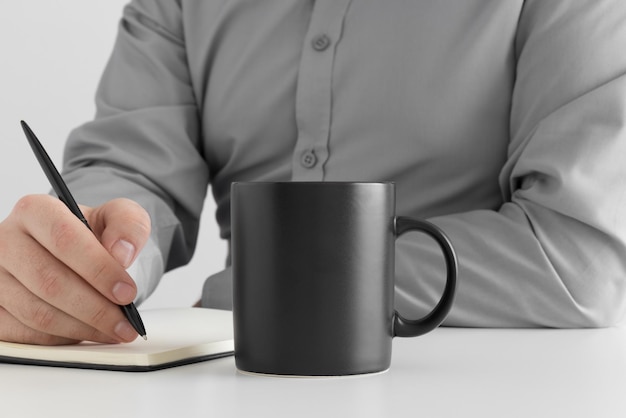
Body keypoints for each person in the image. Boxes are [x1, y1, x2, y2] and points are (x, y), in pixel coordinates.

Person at [2, 0, 626, 345]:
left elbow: (574, 257)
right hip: (240, 382)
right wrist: (90, 258)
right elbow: (130, 163)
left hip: (480, 390)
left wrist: (268, 283)